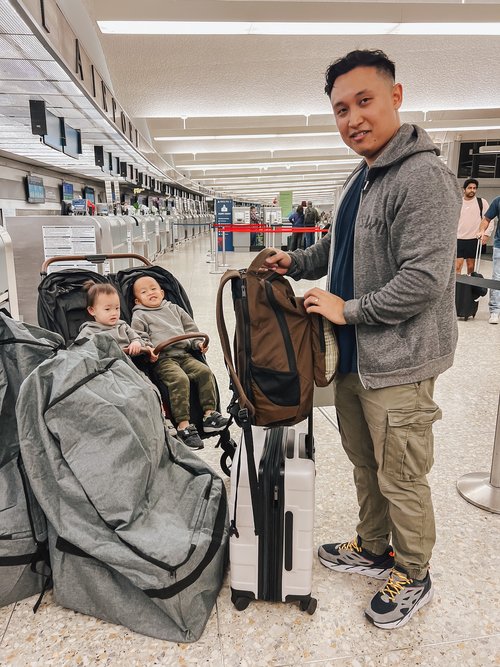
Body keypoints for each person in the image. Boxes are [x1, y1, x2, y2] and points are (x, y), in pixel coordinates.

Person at [264, 49, 461, 630]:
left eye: (364, 102)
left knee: (400, 472)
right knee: (364, 461)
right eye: (341, 109)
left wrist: (346, 310)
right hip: (354, 353)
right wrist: (295, 261)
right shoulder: (357, 177)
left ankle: (415, 572)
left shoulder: (424, 177)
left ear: (396, 97)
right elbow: (337, 250)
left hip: (399, 361)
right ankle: (374, 547)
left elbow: (424, 282)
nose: (352, 118)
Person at [131, 275, 228, 449]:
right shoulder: (140, 315)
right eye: (144, 292)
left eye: (153, 289)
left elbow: (191, 329)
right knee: (180, 379)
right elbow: (139, 336)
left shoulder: (174, 309)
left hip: (184, 353)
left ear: (162, 292)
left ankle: (209, 414)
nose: (150, 293)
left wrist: (198, 343)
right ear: (137, 300)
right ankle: (183, 425)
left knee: (205, 372)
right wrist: (148, 349)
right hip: (163, 359)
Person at [76, 281, 156, 359]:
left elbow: (137, 338)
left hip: (129, 363)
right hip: (105, 367)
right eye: (107, 309)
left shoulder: (123, 327)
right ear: (92, 311)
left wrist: (136, 343)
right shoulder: (89, 331)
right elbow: (78, 351)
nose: (114, 313)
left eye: (117, 308)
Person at [456, 178, 491, 275]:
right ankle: (457, 288)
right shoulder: (458, 202)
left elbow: (489, 219)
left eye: (474, 188)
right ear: (464, 189)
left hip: (473, 239)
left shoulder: (482, 202)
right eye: (470, 188)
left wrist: (486, 234)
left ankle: (469, 289)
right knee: (457, 266)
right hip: (458, 238)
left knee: (471, 266)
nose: (472, 190)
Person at [478, 197, 500, 324]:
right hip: (499, 245)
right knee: (497, 278)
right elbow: (486, 219)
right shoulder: (498, 201)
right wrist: (482, 230)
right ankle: (495, 311)